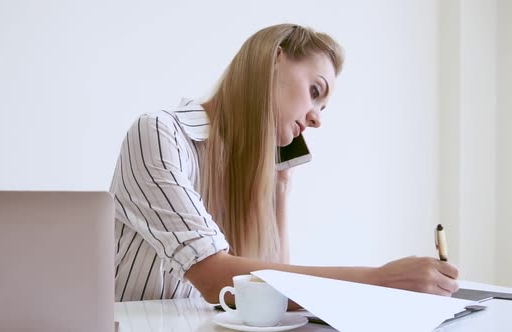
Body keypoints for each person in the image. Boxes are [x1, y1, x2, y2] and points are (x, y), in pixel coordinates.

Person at [110, 23, 459, 305]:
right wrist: (379, 281)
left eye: (322, 109)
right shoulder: (160, 134)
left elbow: (271, 293)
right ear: (275, 60)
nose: (317, 119)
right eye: (315, 92)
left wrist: (279, 188)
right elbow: (215, 277)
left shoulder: (241, 173)